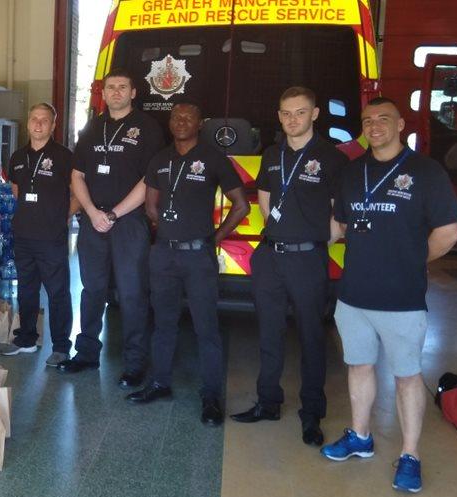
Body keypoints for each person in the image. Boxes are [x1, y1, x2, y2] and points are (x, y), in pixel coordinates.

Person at [321, 97, 457, 493]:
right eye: (367, 119)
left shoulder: (425, 172)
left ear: (400, 124)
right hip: (354, 295)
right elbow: (338, 226)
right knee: (360, 366)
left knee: (406, 377)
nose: (375, 124)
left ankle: (411, 455)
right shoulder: (352, 173)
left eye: (384, 118)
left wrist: (413, 261)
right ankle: (360, 437)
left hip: (402, 297)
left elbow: (448, 231)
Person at [230, 87, 349, 446]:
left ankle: (312, 411)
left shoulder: (331, 157)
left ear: (314, 114)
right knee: (269, 332)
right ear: (279, 115)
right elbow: (265, 196)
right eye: (285, 113)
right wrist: (277, 232)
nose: (292, 119)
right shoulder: (272, 153)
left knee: (312, 335)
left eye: (299, 113)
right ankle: (268, 402)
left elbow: (338, 213)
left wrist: (314, 243)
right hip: (270, 256)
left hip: (308, 257)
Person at [127, 103, 248, 426]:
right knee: (163, 323)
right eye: (176, 117)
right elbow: (151, 205)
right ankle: (160, 382)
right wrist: (168, 232)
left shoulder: (213, 158)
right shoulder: (160, 159)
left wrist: (215, 238)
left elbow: (241, 205)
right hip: (164, 254)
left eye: (188, 117)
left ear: (200, 123)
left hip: (198, 256)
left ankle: (211, 396)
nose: (181, 122)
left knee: (206, 327)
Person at [59, 67, 165, 388]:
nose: (116, 92)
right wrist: (91, 212)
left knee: (133, 294)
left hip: (129, 223)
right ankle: (87, 353)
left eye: (122, 87)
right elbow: (77, 175)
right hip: (93, 222)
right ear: (102, 94)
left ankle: (134, 364)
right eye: (110, 87)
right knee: (92, 290)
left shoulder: (148, 128)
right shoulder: (92, 128)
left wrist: (115, 214)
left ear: (134, 92)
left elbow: (150, 180)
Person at [0, 102, 77, 366]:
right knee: (27, 289)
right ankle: (26, 340)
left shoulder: (65, 157)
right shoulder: (18, 157)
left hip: (52, 238)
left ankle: (61, 347)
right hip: (23, 235)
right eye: (34, 119)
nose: (39, 124)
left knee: (58, 292)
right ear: (28, 121)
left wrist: (62, 216)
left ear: (53, 125)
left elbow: (77, 193)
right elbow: (15, 189)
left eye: (45, 120)